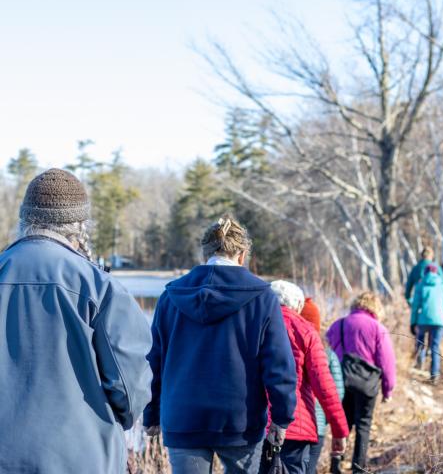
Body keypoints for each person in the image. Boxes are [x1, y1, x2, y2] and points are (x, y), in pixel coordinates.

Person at [0, 169, 153, 474]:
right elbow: (129, 385)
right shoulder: (100, 286)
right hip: (82, 456)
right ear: (80, 226)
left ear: (25, 220)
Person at [143, 216, 297, 474]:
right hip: (240, 421)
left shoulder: (170, 296)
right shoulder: (262, 298)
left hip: (183, 417)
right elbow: (279, 365)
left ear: (204, 253)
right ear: (243, 254)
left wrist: (151, 413)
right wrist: (282, 417)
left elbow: (153, 361)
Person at [259, 281, 349, 474]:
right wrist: (339, 429)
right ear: (299, 305)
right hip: (296, 427)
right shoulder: (306, 330)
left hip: (254, 424)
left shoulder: (252, 326)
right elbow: (324, 385)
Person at [327, 292, 396, 474]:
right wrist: (388, 390)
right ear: (375, 308)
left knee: (342, 423)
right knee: (363, 426)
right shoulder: (378, 328)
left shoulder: (339, 324)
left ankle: (336, 464)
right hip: (367, 384)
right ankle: (358, 468)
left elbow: (329, 349)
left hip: (341, 381)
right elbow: (387, 361)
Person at [299, 298, 345, 474]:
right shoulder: (328, 352)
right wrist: (328, 418)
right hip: (316, 424)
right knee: (309, 468)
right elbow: (337, 391)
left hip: (287, 426)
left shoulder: (283, 347)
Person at [411, 265, 443, 383]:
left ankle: (420, 365)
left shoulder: (420, 286)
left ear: (425, 273)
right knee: (435, 347)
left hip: (423, 320)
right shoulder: (442, 287)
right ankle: (434, 375)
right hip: (441, 322)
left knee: (420, 341)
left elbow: (415, 306)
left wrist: (413, 323)